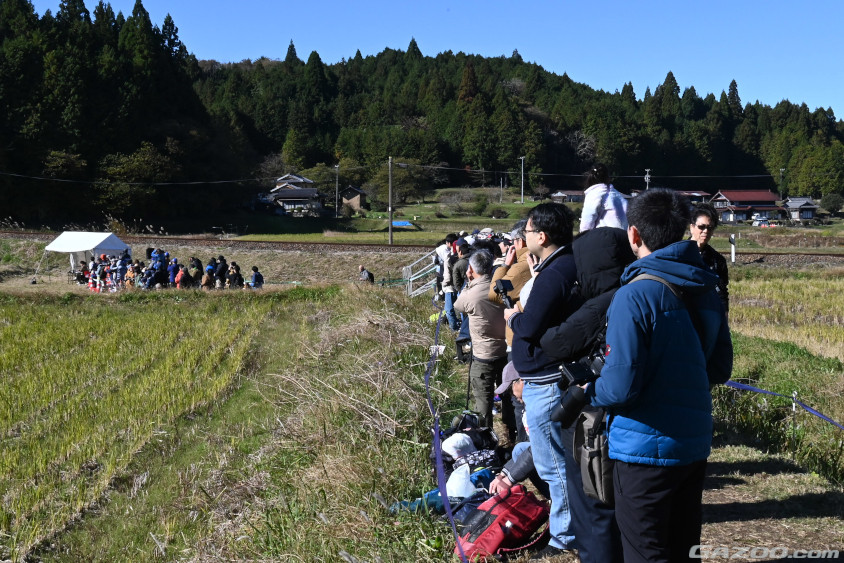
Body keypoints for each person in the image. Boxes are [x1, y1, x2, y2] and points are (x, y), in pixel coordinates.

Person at [583, 188, 733, 563]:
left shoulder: (634, 296)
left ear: (634, 234)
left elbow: (619, 388)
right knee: (685, 547)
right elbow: (719, 367)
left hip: (643, 451)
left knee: (645, 550)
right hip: (693, 441)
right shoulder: (705, 286)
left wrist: (590, 390)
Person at [538, 227, 634, 563]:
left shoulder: (602, 302)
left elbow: (554, 342)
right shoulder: (638, 292)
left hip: (591, 420)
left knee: (593, 500)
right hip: (634, 424)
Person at [504, 203, 579, 558]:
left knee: (554, 466)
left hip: (547, 384)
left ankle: (564, 537)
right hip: (544, 380)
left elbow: (530, 325)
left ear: (542, 236)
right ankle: (566, 528)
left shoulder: (555, 274)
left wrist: (512, 317)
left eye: (528, 231)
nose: (524, 237)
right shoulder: (556, 267)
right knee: (553, 460)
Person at [452, 249, 507, 427]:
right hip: (506, 351)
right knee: (508, 396)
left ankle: (486, 437)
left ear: (471, 269)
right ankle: (510, 431)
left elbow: (457, 305)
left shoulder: (471, 294)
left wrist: (469, 283)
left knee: (483, 402)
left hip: (484, 355)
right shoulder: (501, 285)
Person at [690, 202, 729, 313]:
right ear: (692, 227)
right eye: (701, 227)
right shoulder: (678, 255)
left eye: (710, 228)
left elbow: (722, 293)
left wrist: (724, 320)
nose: (706, 231)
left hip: (707, 315)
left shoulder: (718, 260)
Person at [579, 163, 628, 232]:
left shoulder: (594, 193)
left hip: (605, 237)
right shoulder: (616, 194)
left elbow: (587, 221)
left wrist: (582, 238)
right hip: (624, 237)